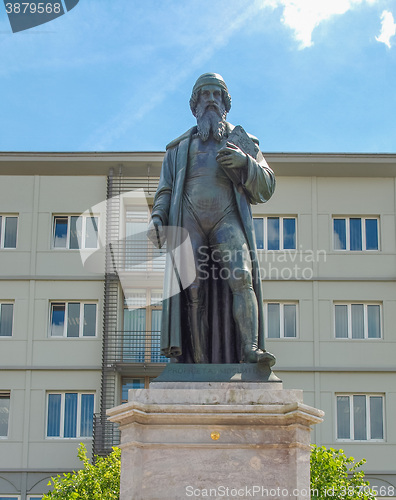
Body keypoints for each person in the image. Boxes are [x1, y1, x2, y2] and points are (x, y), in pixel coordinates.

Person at [147, 73, 276, 365]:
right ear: (195, 106)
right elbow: (165, 190)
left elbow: (267, 184)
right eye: (204, 94)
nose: (211, 100)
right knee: (192, 289)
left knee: (242, 277)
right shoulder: (178, 149)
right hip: (188, 218)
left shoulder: (242, 141)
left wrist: (246, 164)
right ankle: (200, 361)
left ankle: (249, 348)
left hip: (226, 217)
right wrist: (157, 217)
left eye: (217, 94)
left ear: (226, 104)